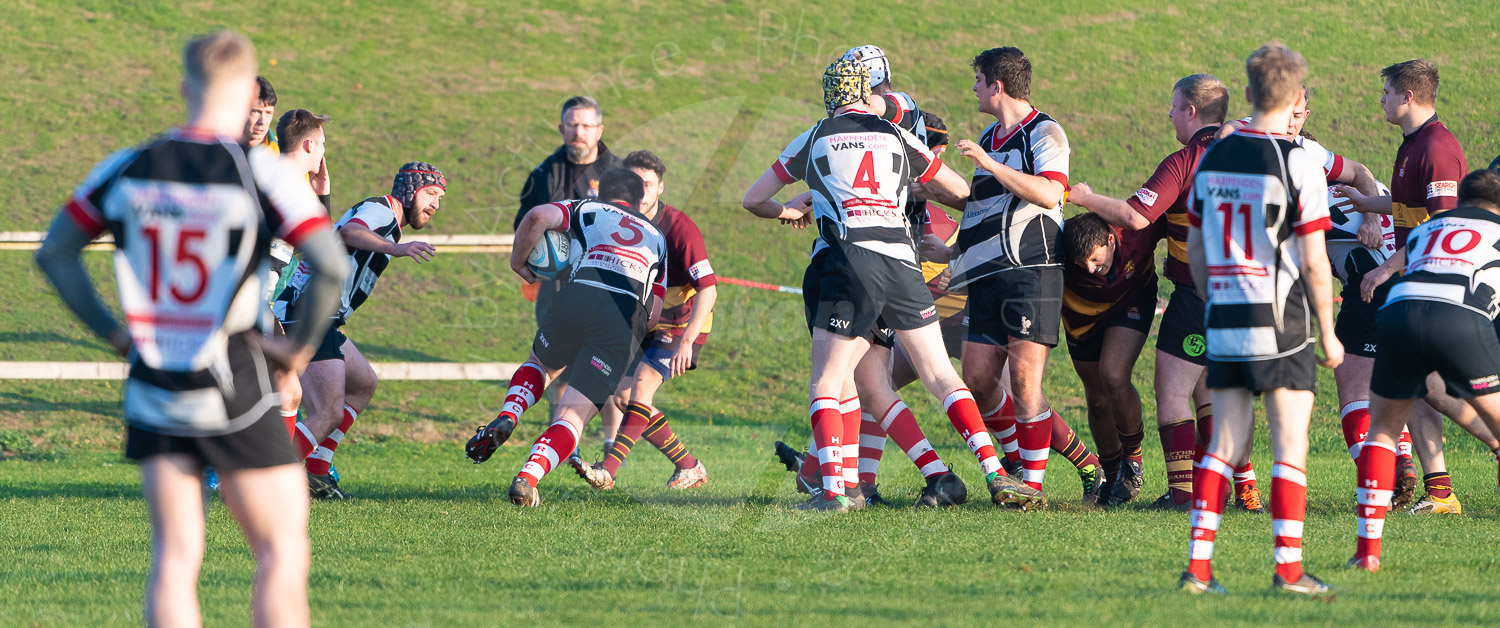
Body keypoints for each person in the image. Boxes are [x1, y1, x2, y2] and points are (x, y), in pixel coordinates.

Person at [34, 31, 347, 627]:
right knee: (282, 548)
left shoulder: (128, 166)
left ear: (185, 88)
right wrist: (298, 349)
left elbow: (55, 253)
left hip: (154, 375)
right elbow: (329, 262)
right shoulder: (259, 171)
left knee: (175, 556)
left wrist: (114, 333)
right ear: (248, 95)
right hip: (233, 371)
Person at [742, 59, 1030, 512]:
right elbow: (958, 190)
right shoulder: (897, 133)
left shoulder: (815, 136)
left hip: (850, 262)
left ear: (829, 96)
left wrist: (793, 212)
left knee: (828, 381)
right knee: (940, 374)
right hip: (902, 261)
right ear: (868, 93)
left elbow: (753, 199)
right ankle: (995, 472)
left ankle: (836, 489)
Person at [1178, 43, 1341, 596]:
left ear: (1246, 94)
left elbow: (1195, 247)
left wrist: (1214, 296)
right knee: (1288, 443)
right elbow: (1316, 261)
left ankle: (1198, 570)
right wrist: (1331, 333)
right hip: (1282, 319)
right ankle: (1288, 570)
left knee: (1224, 442)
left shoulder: (1214, 158)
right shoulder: (1299, 161)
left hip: (1224, 315)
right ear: (1297, 97)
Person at [1069, 73, 1268, 511]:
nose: (1170, 114)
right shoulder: (1257, 152)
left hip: (1201, 293)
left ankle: (1183, 494)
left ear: (1192, 111)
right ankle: (1231, 488)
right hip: (1253, 295)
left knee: (1174, 391)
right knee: (1213, 392)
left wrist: (1085, 197)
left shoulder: (1186, 160)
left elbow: (1134, 216)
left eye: (1174, 106)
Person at [468, 169, 668, 507]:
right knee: (572, 415)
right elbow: (654, 313)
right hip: (621, 318)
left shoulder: (588, 208)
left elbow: (537, 216)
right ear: (639, 201)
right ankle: (528, 477)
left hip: (578, 296)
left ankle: (510, 413)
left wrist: (519, 263)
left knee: (540, 365)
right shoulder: (658, 238)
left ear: (604, 194)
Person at [1339, 59, 1477, 515]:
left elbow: (1442, 225)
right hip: (1413, 284)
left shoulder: (1437, 148)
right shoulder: (1412, 144)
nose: (1381, 99)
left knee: (1436, 387)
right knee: (1414, 385)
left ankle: (1495, 443)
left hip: (1436, 284)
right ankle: (1439, 492)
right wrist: (1366, 201)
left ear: (1408, 97)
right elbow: (1408, 206)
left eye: (1386, 92)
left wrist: (1384, 269)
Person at [933, 47, 1071, 499]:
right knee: (976, 376)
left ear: (998, 85)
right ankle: (1014, 460)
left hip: (1032, 271)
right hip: (988, 277)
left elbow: (1051, 194)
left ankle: (1031, 486)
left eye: (978, 80)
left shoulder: (1045, 131)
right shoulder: (990, 135)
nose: (973, 87)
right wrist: (952, 257)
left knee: (1025, 382)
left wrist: (990, 166)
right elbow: (980, 211)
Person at [1349, 169, 1500, 572]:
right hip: (1459, 316)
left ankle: (1367, 554)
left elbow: (1411, 262)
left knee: (1383, 430)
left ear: (1462, 200)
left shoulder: (1431, 225)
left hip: (1397, 313)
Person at [275, 163, 445, 499]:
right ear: (410, 189)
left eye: (440, 199)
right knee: (327, 413)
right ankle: (270, 482)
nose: (436, 204)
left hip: (324, 317)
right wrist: (398, 249)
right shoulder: (379, 209)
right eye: (431, 194)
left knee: (363, 383)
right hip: (305, 312)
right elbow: (350, 232)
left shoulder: (389, 222)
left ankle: (318, 470)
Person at [571, 150, 712, 490]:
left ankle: (607, 471)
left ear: (660, 187)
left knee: (643, 386)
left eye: (647, 184)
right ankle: (689, 466)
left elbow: (709, 290)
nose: (641, 192)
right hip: (641, 321)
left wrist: (688, 343)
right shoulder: (614, 220)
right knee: (621, 396)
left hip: (681, 323)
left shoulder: (679, 228)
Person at [514, 96, 623, 438]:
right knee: (552, 362)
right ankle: (557, 438)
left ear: (599, 130)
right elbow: (524, 225)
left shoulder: (619, 175)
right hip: (558, 285)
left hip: (608, 287)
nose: (579, 132)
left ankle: (609, 447)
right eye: (573, 125)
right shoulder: (543, 175)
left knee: (605, 367)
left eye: (587, 126)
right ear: (561, 129)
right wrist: (533, 260)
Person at [1058, 212, 1164, 506]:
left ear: (1109, 240)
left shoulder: (1134, 230)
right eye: (1082, 264)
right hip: (1080, 316)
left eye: (1095, 260)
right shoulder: (1058, 244)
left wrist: (1184, 266)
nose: (1090, 269)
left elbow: (1179, 216)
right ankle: (1112, 475)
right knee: (1097, 399)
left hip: (1129, 302)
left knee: (1114, 375)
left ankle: (1133, 463)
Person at [245, 75, 278, 151]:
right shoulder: (218, 151)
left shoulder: (282, 152)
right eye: (256, 112)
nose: (262, 121)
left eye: (268, 113)